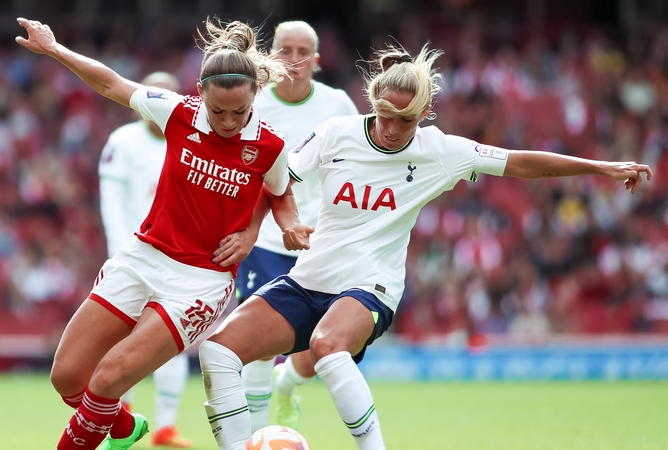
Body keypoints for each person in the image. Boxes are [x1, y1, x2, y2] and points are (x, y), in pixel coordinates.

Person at [199, 43, 652, 450]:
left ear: (425, 113)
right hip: (309, 279)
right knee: (217, 350)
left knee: (328, 345)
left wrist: (600, 166)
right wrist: (271, 226)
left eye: (406, 120)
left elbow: (521, 164)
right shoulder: (336, 133)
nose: (393, 129)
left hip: (369, 286)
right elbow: (276, 183)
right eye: (385, 116)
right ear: (372, 102)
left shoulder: (440, 152)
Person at [15, 17, 311, 450]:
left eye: (239, 112)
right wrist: (56, 49)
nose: (229, 121)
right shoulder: (176, 112)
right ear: (201, 95)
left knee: (108, 377)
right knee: (67, 376)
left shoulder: (270, 146)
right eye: (218, 111)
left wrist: (265, 231)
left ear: (254, 98)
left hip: (201, 280)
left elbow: (280, 193)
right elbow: (110, 83)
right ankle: (121, 427)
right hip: (143, 256)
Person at [235, 20, 358, 434]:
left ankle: (286, 384)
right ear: (271, 57)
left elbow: (358, 165)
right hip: (266, 240)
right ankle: (255, 439)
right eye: (284, 50)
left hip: (321, 244)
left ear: (317, 60)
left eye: (302, 51)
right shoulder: (252, 104)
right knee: (256, 348)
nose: (293, 59)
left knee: (323, 349)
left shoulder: (338, 104)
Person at [98, 71, 193, 448]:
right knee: (123, 344)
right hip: (133, 258)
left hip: (177, 260)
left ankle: (165, 428)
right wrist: (119, 253)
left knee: (171, 340)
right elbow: (112, 204)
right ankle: (120, 425)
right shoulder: (122, 143)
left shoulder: (189, 142)